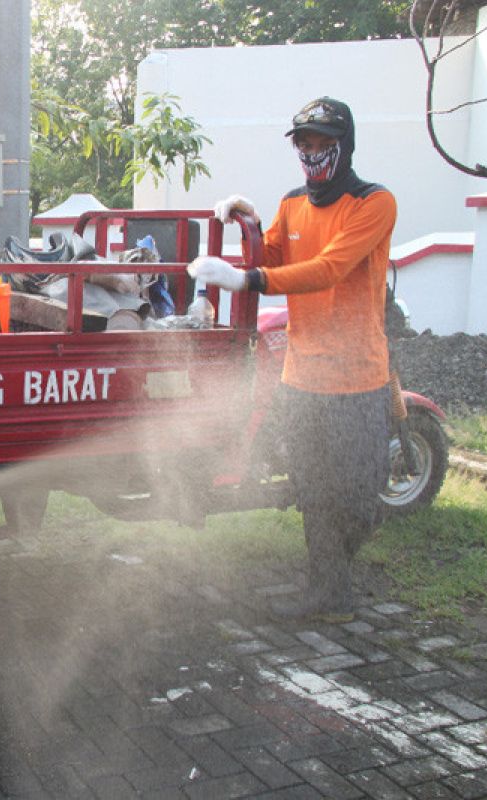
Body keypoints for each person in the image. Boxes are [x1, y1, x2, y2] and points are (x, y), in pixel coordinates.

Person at [188, 97, 395, 623]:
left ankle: (333, 579)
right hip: (302, 377)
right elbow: (275, 255)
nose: (312, 152)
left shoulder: (373, 203)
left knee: (357, 496)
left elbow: (328, 268)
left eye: (323, 142)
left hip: (356, 379)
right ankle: (330, 593)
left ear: (344, 144)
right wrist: (250, 223)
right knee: (313, 489)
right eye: (304, 143)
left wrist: (249, 280)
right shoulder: (294, 202)